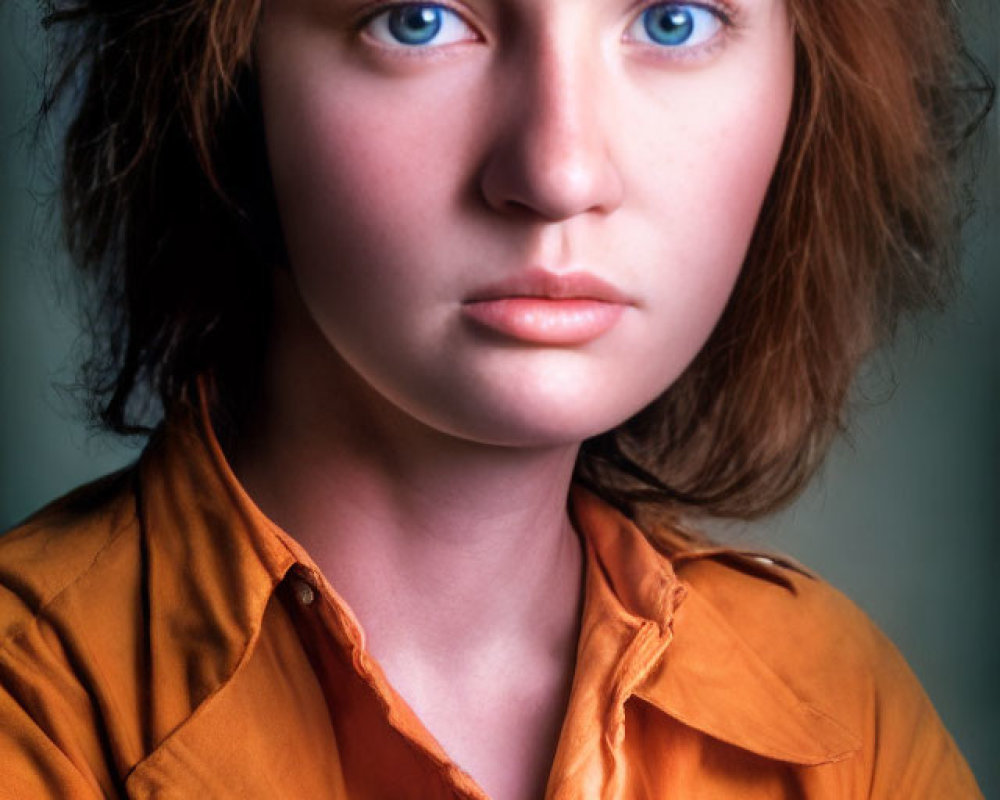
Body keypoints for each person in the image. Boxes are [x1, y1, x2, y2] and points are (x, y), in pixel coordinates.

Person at [0, 0, 992, 796]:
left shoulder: (836, 708)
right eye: (419, 19)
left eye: (673, 20)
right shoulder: (36, 702)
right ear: (226, 81)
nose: (558, 173)